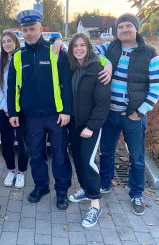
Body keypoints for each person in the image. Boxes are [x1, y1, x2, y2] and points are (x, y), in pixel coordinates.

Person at [95, 13, 159, 215]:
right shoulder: (111, 48)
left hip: (133, 116)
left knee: (137, 157)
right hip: (110, 113)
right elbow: (87, 49)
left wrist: (139, 112)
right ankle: (104, 184)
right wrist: (105, 61)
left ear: (136, 29)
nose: (124, 30)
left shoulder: (150, 54)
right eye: (120, 27)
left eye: (128, 26)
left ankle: (136, 193)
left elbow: (156, 88)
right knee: (106, 152)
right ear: (116, 31)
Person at [7, 9, 72, 210]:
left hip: (56, 115)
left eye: (33, 29)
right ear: (21, 31)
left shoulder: (55, 50)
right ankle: (41, 187)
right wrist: (13, 113)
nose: (30, 33)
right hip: (31, 116)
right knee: (36, 155)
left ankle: (62, 192)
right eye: (25, 30)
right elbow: (12, 87)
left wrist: (66, 111)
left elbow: (66, 82)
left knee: (60, 155)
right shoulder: (18, 56)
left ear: (40, 29)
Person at [67, 33, 111, 228]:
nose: (78, 49)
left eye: (82, 45)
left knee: (88, 161)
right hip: (74, 124)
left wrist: (92, 126)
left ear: (88, 47)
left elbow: (103, 102)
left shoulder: (98, 68)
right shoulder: (72, 66)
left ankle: (95, 204)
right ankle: (85, 189)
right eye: (75, 46)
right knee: (77, 158)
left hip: (90, 125)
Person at [0, 31, 28, 188]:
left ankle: (21, 172)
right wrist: (6, 108)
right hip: (4, 109)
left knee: (22, 143)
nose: (7, 44)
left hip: (21, 110)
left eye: (9, 41)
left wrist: (15, 109)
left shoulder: (23, 59)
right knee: (6, 142)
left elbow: (26, 87)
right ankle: (11, 170)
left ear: (16, 42)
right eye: (4, 41)